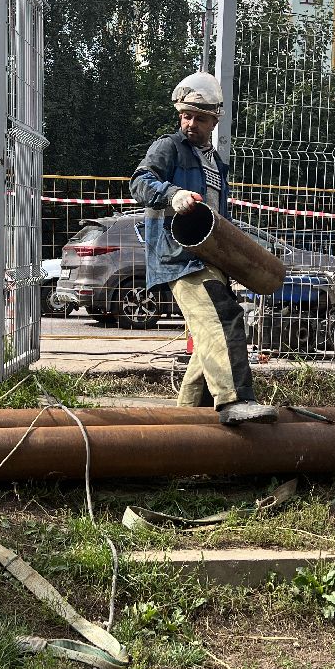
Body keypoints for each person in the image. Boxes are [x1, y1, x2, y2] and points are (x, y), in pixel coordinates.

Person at [129, 72, 277, 426]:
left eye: (199, 117)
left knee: (210, 339)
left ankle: (184, 430)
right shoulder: (169, 148)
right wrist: (171, 194)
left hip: (207, 258)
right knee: (221, 320)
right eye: (185, 115)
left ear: (215, 119)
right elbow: (139, 181)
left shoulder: (215, 164)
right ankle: (234, 401)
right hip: (178, 257)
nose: (190, 123)